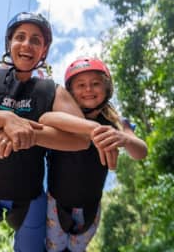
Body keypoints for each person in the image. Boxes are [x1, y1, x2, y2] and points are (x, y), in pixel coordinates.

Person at [0, 12, 104, 252]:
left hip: (30, 195)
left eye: (36, 40)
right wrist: (3, 119)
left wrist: (31, 134)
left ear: (44, 51)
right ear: (10, 44)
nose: (27, 44)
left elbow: (80, 140)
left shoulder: (52, 90)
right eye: (20, 37)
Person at [39, 57, 148, 252]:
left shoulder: (115, 122)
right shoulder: (66, 117)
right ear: (71, 92)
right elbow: (46, 118)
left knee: (77, 249)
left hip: (90, 206)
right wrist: (91, 128)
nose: (88, 89)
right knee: (54, 249)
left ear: (107, 88)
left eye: (95, 84)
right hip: (57, 203)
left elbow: (141, 152)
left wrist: (125, 139)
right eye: (81, 85)